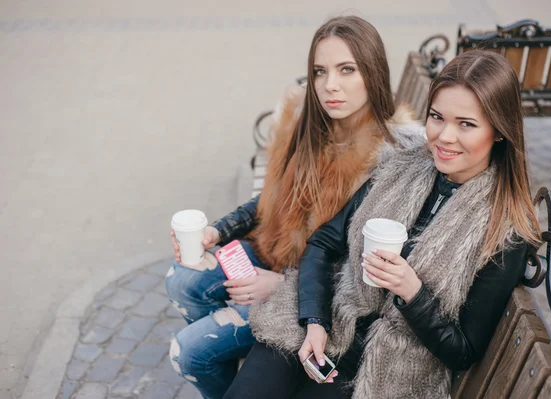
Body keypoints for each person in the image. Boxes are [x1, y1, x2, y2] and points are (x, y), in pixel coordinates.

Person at [228, 50, 542, 399]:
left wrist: (413, 293)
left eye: (466, 124)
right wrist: (315, 321)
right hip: (328, 322)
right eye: (437, 117)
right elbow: (323, 243)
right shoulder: (400, 165)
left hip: (385, 373)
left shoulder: (505, 229)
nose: (444, 137)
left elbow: (464, 350)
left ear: (499, 130)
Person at [165, 15, 421, 399]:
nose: (329, 86)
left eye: (346, 70)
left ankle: (238, 347)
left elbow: (359, 271)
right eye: (320, 71)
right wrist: (217, 231)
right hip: (276, 254)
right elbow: (271, 198)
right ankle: (240, 348)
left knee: (188, 353)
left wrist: (281, 287)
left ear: (372, 72)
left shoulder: (389, 160)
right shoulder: (313, 125)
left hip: (307, 297)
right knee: (181, 278)